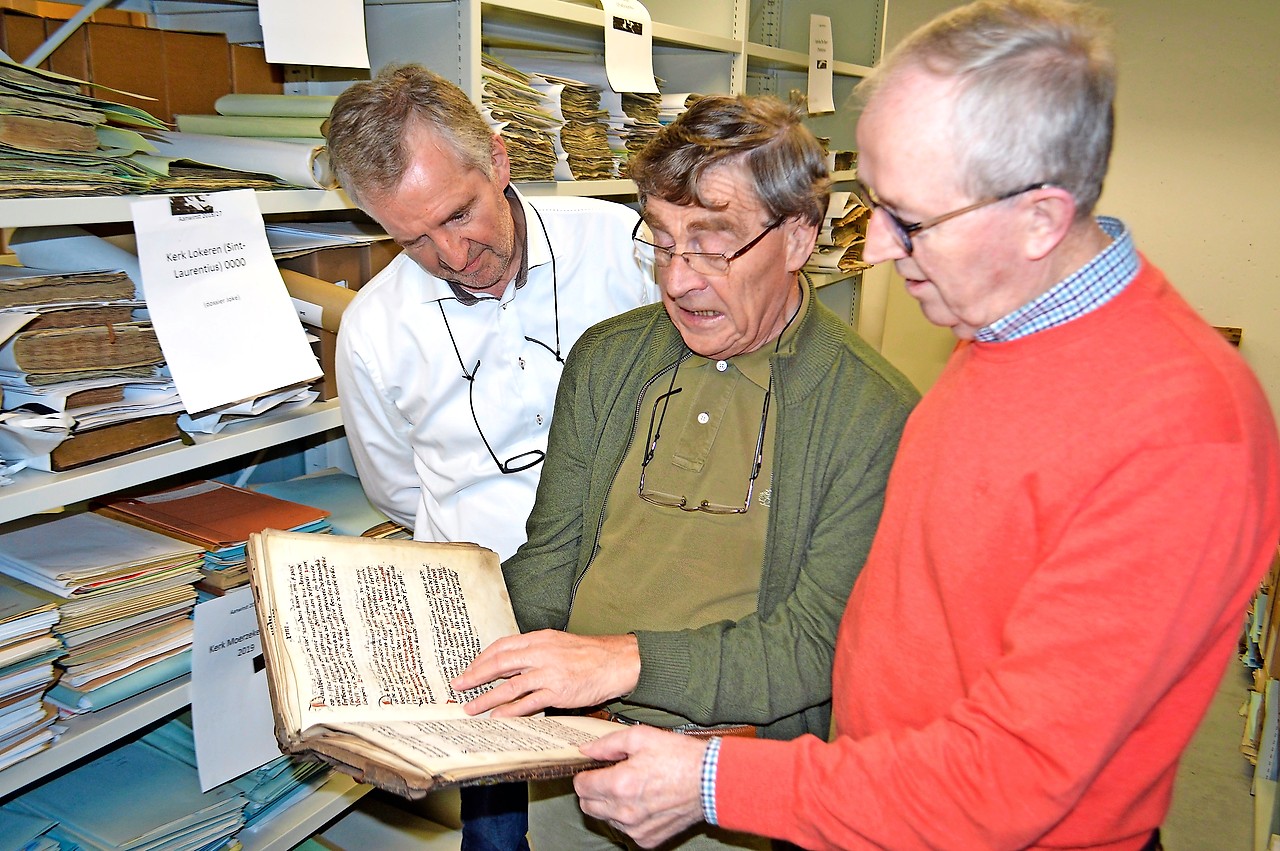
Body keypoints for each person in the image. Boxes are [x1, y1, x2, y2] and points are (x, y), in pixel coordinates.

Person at [567, 2, 1280, 849]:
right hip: (882, 806)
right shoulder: (1004, 327)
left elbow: (1011, 779)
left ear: (1041, 218)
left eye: (911, 221)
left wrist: (719, 781)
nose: (877, 251)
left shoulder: (1183, 429)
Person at [451, 93, 919, 849]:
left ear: (799, 237)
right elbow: (550, 563)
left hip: (725, 796)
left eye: (713, 243)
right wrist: (441, 648)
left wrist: (622, 661)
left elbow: (814, 646)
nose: (678, 280)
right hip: (563, 763)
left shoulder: (872, 413)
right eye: (663, 242)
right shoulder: (608, 359)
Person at [325, 64, 657, 851]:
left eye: (458, 213)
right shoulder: (375, 329)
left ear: (500, 161)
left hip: (638, 602)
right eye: (411, 238)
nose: (450, 252)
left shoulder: (628, 250)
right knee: (502, 841)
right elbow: (399, 491)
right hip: (487, 635)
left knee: (646, 811)